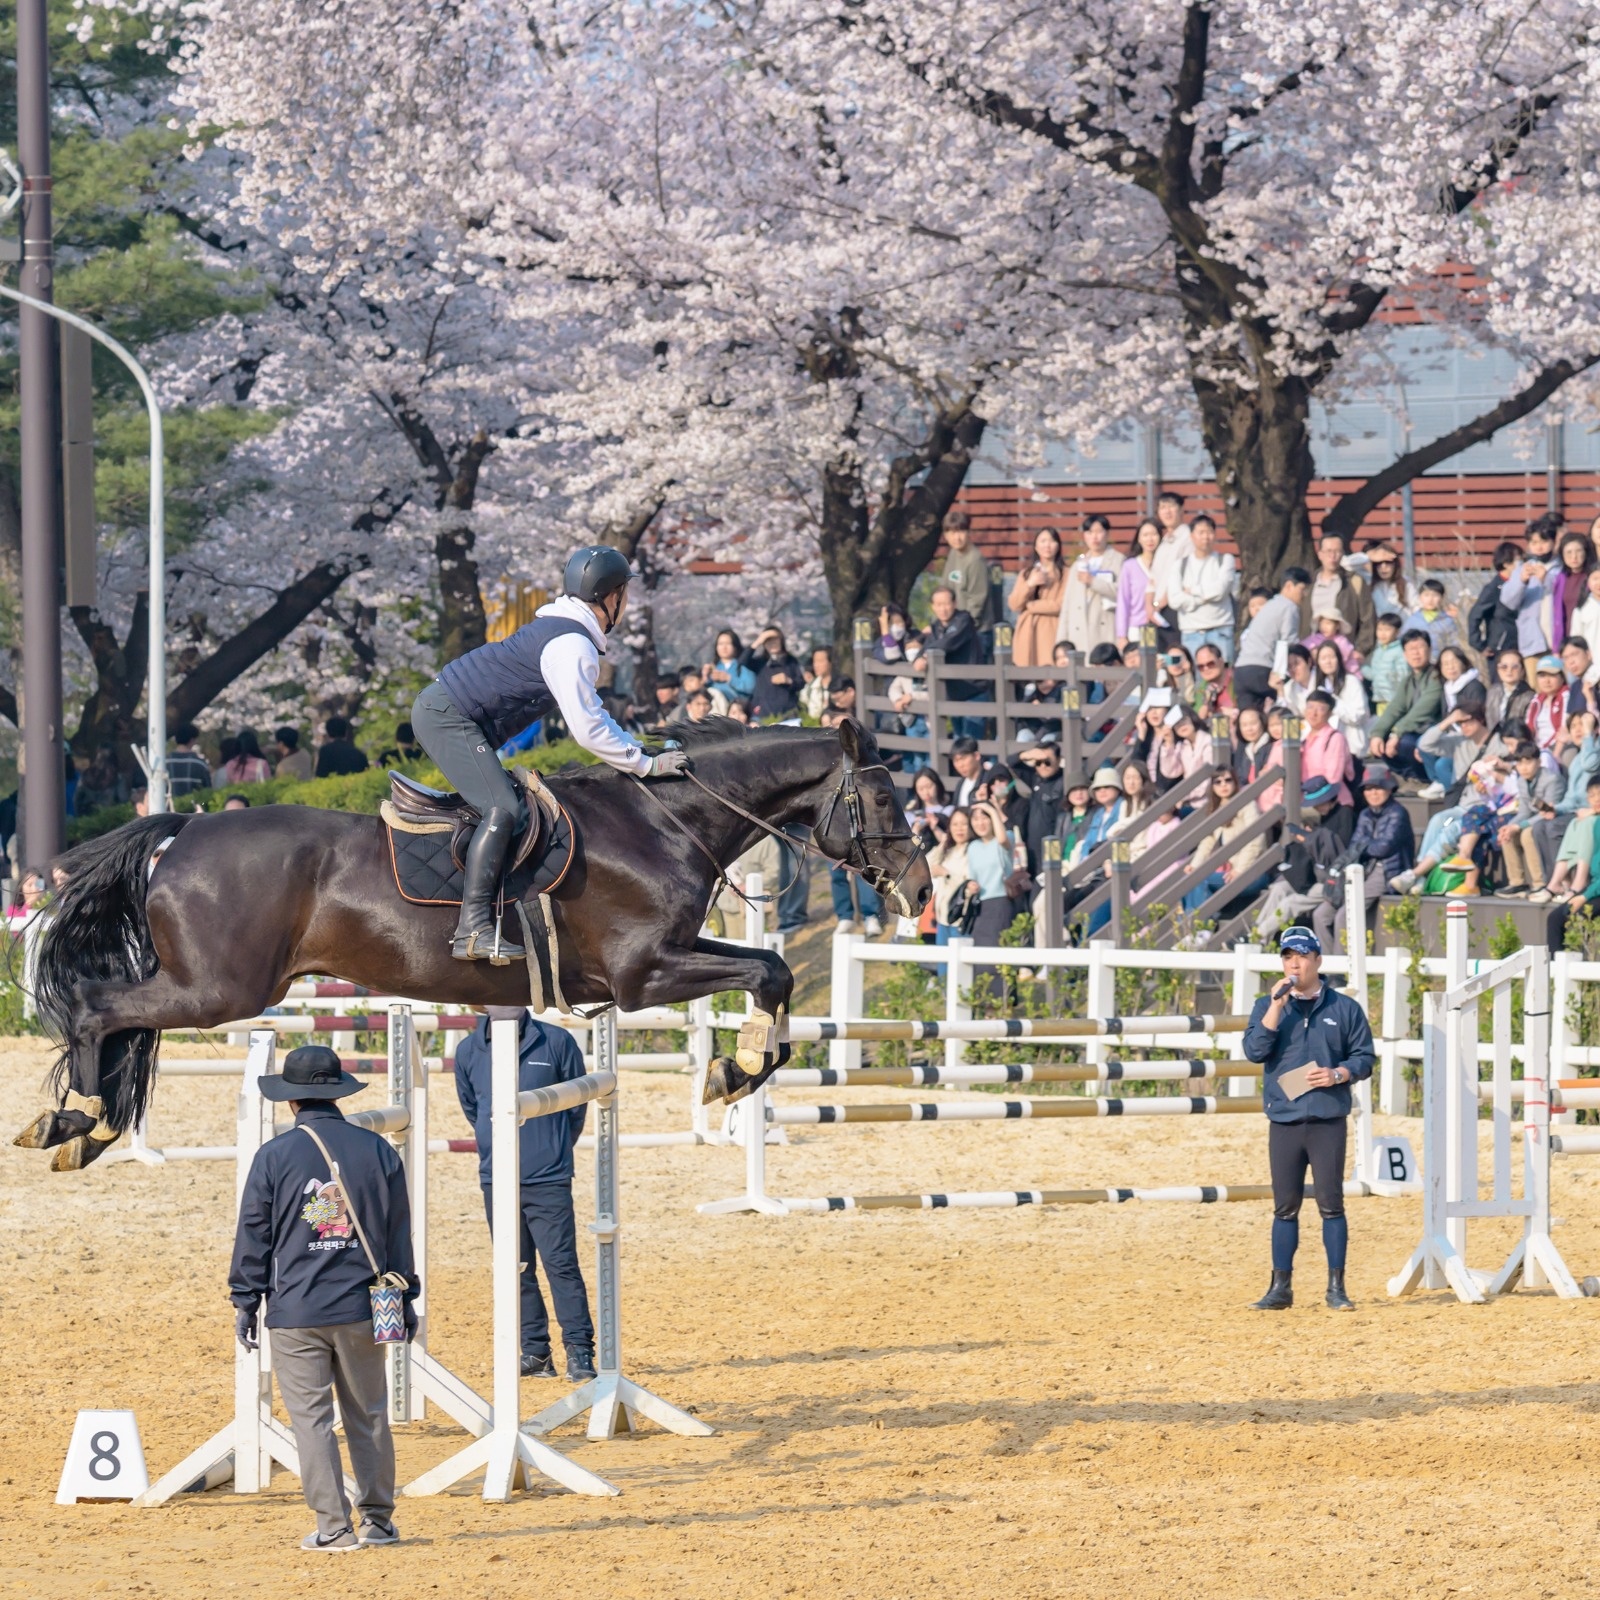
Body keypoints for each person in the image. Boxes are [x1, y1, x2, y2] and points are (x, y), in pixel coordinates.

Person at [411, 545, 689, 962]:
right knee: (505, 808)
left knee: (512, 804)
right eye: (624, 594)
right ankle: (472, 930)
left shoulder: (566, 632)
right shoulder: (571, 646)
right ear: (610, 596)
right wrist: (645, 765)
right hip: (447, 717)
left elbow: (594, 717)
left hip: (451, 713)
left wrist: (637, 749)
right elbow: (588, 730)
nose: (626, 603)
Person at [229, 1046, 418, 1551]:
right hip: (363, 1306)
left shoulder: (273, 1157)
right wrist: (408, 1297)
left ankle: (333, 1528)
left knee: (311, 1422)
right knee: (369, 1413)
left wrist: (245, 1299)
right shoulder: (380, 1152)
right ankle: (378, 1520)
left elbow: (254, 1233)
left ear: (292, 1102)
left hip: (296, 1309)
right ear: (337, 1094)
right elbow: (398, 1235)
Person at [453, 1012, 595, 1380]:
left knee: (560, 1265)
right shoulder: (469, 1050)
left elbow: (576, 1106)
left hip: (548, 1177)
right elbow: (474, 1109)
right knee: (514, 1269)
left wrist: (553, 1149)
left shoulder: (557, 1041)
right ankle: (535, 1352)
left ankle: (580, 1351)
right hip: (496, 1178)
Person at [1242, 926, 1376, 1312]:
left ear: (1318, 960)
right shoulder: (1267, 1006)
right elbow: (1254, 1051)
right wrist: (1274, 1008)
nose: (1294, 963)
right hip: (1284, 1120)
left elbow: (1365, 1057)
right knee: (1285, 1206)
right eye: (1287, 956)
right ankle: (1280, 1288)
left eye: (1301, 955)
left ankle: (1337, 1288)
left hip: (1326, 1119)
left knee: (1331, 1205)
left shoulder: (1344, 1008)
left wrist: (1339, 1074)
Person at [1311, 766, 1415, 951]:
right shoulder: (1366, 814)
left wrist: (1363, 845)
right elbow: (1354, 845)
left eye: (1378, 787)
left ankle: (1339, 972)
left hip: (1386, 871)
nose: (1373, 793)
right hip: (1361, 868)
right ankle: (1325, 968)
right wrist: (1365, 846)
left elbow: (1384, 848)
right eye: (1368, 789)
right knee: (1321, 915)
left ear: (1390, 789)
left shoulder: (1398, 813)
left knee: (1345, 915)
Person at [1183, 767, 1263, 915]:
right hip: (1230, 872)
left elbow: (1255, 841)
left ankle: (1202, 928)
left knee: (1201, 881)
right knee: (1190, 879)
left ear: (1235, 781)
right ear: (1212, 787)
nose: (1223, 785)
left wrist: (1240, 869)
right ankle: (1191, 928)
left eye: (1228, 780)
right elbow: (1208, 841)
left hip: (1252, 871)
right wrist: (1194, 866)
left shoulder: (1247, 804)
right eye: (1217, 782)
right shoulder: (1216, 808)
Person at [1366, 628, 1442, 780]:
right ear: (1404, 655)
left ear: (1429, 649)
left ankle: (1424, 778)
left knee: (1404, 743)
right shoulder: (1408, 680)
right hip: (1414, 731)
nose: (1416, 653)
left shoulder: (1436, 676)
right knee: (1382, 741)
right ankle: (1410, 778)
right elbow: (1394, 708)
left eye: (1420, 647)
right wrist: (1377, 733)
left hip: (1434, 731)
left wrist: (1397, 733)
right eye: (1411, 649)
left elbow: (1422, 711)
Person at [1234, 568, 1312, 712]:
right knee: (1279, 715)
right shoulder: (1289, 607)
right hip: (1263, 670)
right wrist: (1281, 674)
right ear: (1289, 586)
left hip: (1241, 671)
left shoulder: (1269, 606)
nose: (1305, 595)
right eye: (1303, 589)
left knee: (1249, 720)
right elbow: (1288, 643)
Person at [1162, 513, 1238, 663]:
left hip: (1220, 630)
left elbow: (1220, 590)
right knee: (1195, 681)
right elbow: (1175, 600)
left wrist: (1193, 591)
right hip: (1191, 632)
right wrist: (1202, 598)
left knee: (1224, 680)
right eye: (1201, 532)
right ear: (1192, 536)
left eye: (1209, 532)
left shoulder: (1225, 560)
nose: (1206, 537)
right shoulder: (1180, 565)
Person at [1498, 740, 1563, 896]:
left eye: (1528, 762)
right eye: (1519, 763)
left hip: (1555, 818)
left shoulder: (1552, 780)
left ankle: (1539, 883)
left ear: (1539, 762)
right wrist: (1510, 826)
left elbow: (1547, 812)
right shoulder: (1521, 781)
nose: (1524, 767)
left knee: (1527, 834)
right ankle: (1517, 882)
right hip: (1535, 819)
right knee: (1507, 833)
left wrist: (1519, 826)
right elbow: (1524, 812)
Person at [922, 586, 985, 738]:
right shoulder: (936, 626)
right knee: (958, 743)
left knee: (971, 742)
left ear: (955, 603)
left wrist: (925, 655)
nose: (942, 609)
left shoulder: (964, 620)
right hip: (952, 693)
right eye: (938, 605)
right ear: (933, 606)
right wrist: (919, 655)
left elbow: (949, 642)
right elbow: (927, 645)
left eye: (946, 604)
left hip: (973, 691)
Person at [1299, 532, 1375, 657]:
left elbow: (1368, 618)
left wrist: (1361, 650)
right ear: (1320, 555)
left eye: (1337, 551)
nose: (1333, 556)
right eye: (1328, 551)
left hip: (1343, 654)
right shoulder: (1308, 583)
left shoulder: (1354, 582)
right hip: (1311, 652)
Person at [1058, 515, 1123, 657]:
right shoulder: (1077, 565)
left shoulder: (1118, 561)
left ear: (1107, 533)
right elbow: (1067, 605)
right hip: (1078, 633)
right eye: (1089, 532)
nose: (1095, 537)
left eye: (1099, 532)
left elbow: (1123, 593)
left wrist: (1093, 582)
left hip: (1105, 628)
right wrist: (1061, 641)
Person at [1499, 518, 1559, 666]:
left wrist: (1546, 579)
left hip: (1558, 641)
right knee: (1536, 686)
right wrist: (1522, 581)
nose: (1539, 547)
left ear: (1553, 541)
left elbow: (1565, 596)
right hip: (1532, 642)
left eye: (1544, 542)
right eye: (1534, 543)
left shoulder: (1561, 567)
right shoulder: (1523, 569)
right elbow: (1508, 601)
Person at [1007, 526, 1067, 668]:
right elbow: (1014, 604)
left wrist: (1030, 606)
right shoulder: (1026, 573)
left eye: (1052, 541)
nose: (1047, 545)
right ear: (1035, 546)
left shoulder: (1066, 573)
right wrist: (1030, 584)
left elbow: (1060, 605)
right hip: (1026, 632)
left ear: (1058, 545)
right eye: (1043, 541)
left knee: (1049, 673)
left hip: (1051, 630)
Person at [939, 512, 997, 647]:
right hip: (955, 628)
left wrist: (959, 629)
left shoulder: (975, 559)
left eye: (961, 531)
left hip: (976, 632)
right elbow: (945, 590)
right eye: (951, 533)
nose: (956, 538)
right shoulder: (953, 554)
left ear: (968, 532)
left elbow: (977, 602)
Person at [1015, 739, 1065, 873]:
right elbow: (1012, 762)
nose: (1043, 766)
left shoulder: (1064, 782)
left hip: (1051, 848)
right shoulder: (1035, 778)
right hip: (1031, 850)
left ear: (1059, 760)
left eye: (1048, 761)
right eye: (1038, 762)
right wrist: (1027, 754)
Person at [1115, 518, 1165, 652]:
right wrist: (1121, 635)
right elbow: (1123, 601)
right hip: (1138, 626)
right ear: (1139, 539)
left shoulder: (1166, 564)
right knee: (1143, 667)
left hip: (1163, 626)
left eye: (1154, 534)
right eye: (1145, 535)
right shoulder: (1129, 566)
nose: (1150, 539)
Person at [927, 807, 975, 944]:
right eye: (954, 824)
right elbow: (927, 865)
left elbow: (970, 884)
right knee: (943, 964)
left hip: (961, 918)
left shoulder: (973, 851)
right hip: (942, 919)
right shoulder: (949, 851)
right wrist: (943, 842)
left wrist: (946, 874)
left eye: (964, 824)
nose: (959, 829)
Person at [1469, 541, 1523, 659]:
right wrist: (1479, 645)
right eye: (1518, 560)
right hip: (1499, 648)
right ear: (1506, 564)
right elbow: (1475, 615)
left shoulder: (1521, 584)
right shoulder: (1494, 588)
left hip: (1519, 645)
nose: (1522, 564)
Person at [1311, 639, 1368, 747]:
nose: (1328, 662)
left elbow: (1358, 716)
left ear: (1339, 659)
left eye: (1332, 657)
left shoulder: (1351, 681)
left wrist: (1332, 701)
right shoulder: (1317, 685)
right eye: (1323, 658)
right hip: (1325, 744)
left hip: (1350, 744)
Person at [741, 627, 805, 720]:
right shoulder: (760, 662)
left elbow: (801, 683)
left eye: (775, 639)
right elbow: (742, 661)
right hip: (764, 712)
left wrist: (788, 680)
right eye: (768, 640)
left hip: (787, 712)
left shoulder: (791, 661)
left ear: (782, 640)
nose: (772, 643)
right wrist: (758, 640)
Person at [1550, 531, 1596, 652]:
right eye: (1569, 552)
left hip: (1591, 637)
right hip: (1567, 641)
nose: (1574, 557)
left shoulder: (1594, 577)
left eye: (1578, 551)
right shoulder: (1560, 579)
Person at [1402, 579, 1464, 657]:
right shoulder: (1412, 620)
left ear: (1441, 598)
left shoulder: (1447, 621)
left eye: (1435, 595)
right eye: (1426, 595)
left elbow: (1454, 644)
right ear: (1420, 597)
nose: (1430, 599)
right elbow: (1403, 642)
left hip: (1439, 661)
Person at [1485, 649, 1535, 733]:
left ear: (1522, 670)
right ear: (1498, 670)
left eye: (1515, 667)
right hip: (1493, 741)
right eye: (1504, 667)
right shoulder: (1492, 691)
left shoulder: (1530, 696)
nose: (1509, 671)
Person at [1365, 544, 1417, 622]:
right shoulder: (1369, 583)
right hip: (1379, 631)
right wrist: (1367, 557)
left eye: (1388, 563)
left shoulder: (1406, 584)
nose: (1383, 567)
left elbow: (1417, 609)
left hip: (1403, 631)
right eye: (1379, 563)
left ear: (1395, 564)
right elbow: (1347, 565)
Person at [705, 629, 757, 706]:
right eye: (721, 644)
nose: (724, 647)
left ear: (735, 646)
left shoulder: (742, 665)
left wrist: (729, 679)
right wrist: (705, 677)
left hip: (737, 709)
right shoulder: (713, 667)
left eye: (728, 643)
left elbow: (751, 688)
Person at [167, 724, 214, 797]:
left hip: (167, 807)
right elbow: (208, 791)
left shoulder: (165, 762)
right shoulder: (200, 764)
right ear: (192, 740)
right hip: (193, 806)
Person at [799, 646, 836, 720]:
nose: (816, 665)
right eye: (814, 661)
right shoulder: (810, 688)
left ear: (830, 662)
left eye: (820, 661)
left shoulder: (839, 685)